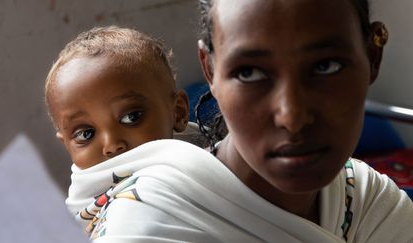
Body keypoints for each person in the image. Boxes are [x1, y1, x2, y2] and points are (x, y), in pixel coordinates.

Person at [65, 1, 413, 242]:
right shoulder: (148, 227)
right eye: (249, 73)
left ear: (372, 56)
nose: (292, 116)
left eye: (326, 66)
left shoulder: (371, 203)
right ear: (210, 70)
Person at [43, 26, 191, 234]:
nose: (112, 145)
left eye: (131, 117)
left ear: (179, 112)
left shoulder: (201, 173)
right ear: (67, 146)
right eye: (86, 134)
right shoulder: (78, 205)